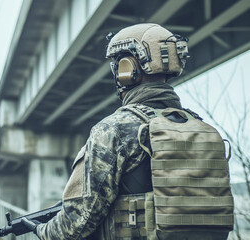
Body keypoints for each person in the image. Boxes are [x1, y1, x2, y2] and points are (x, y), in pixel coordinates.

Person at [22, 23, 234, 240]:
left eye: (117, 65)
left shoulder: (114, 129)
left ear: (127, 69)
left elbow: (78, 222)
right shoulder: (202, 128)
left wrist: (42, 230)